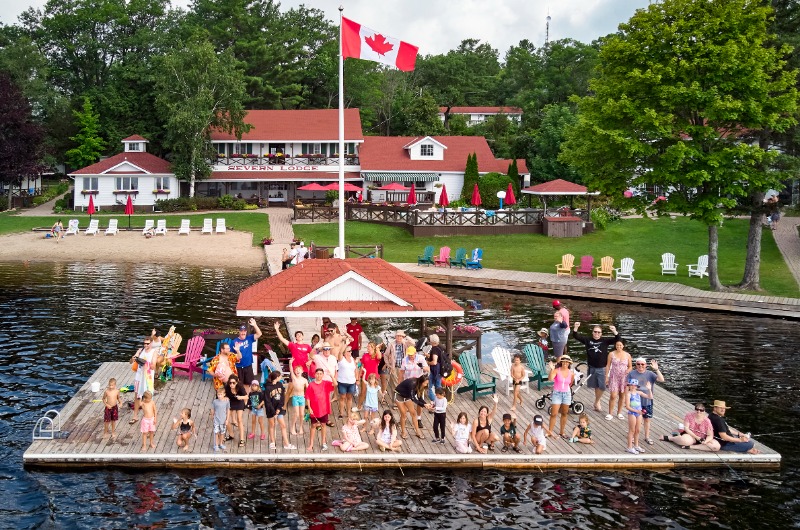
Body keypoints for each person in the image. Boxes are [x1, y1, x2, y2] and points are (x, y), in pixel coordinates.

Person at [572, 322, 620, 413]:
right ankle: (597, 403)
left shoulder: (604, 341)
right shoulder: (588, 340)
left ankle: (597, 401)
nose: (597, 334)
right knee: (596, 386)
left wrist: (614, 331)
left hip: (602, 367)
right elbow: (576, 336)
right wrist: (575, 327)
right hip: (591, 367)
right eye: (595, 332)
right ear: (592, 332)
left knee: (602, 387)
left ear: (601, 334)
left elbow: (618, 339)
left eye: (599, 332)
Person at [627, 357, 665, 445]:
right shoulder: (632, 373)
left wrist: (657, 370)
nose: (640, 366)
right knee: (636, 420)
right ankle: (633, 436)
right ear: (636, 365)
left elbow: (662, 380)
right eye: (638, 364)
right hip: (635, 401)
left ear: (645, 365)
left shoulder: (650, 374)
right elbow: (627, 386)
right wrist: (627, 399)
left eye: (642, 364)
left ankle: (647, 437)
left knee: (647, 419)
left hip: (647, 400)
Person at [394, 373, 433, 439]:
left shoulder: (420, 385)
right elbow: (413, 398)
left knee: (413, 413)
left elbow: (419, 397)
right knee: (403, 414)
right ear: (421, 382)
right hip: (399, 395)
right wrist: (423, 405)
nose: (426, 385)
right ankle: (403, 431)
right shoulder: (412, 384)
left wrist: (425, 404)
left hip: (407, 396)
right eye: (425, 383)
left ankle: (417, 431)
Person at [264, 370, 294, 449]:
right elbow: (267, 401)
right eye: (280, 376)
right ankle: (272, 442)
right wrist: (274, 412)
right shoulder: (267, 388)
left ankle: (286, 444)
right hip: (271, 410)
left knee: (283, 425)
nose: (281, 377)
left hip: (279, 408)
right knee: (272, 425)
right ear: (276, 377)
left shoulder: (280, 384)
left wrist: (279, 408)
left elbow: (282, 397)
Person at [306, 368, 334, 451]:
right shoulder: (311, 384)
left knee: (323, 425)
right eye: (317, 374)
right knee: (313, 426)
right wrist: (309, 407)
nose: (319, 375)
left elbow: (335, 384)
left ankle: (323, 442)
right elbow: (307, 397)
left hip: (324, 409)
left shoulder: (326, 383)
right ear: (315, 375)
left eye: (320, 374)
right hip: (314, 409)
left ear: (323, 375)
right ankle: (311, 444)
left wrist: (331, 375)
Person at [130, 336, 156, 425]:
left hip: (148, 378)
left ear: (151, 343)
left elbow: (153, 366)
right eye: (144, 343)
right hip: (139, 377)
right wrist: (133, 359)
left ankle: (151, 418)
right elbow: (130, 362)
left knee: (149, 398)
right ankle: (135, 416)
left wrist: (146, 363)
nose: (146, 345)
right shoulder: (140, 350)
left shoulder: (154, 352)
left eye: (147, 344)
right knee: (137, 397)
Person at [548, 355, 575, 438]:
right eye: (564, 361)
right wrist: (552, 369)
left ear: (569, 363)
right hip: (557, 393)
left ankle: (562, 432)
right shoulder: (556, 370)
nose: (565, 363)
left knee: (564, 413)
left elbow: (570, 384)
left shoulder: (571, 373)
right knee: (554, 413)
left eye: (567, 362)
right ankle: (550, 432)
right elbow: (550, 379)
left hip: (566, 394)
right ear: (561, 362)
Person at [605, 339, 632, 420]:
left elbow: (630, 366)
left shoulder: (627, 355)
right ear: (615, 346)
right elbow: (608, 366)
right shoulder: (611, 354)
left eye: (620, 345)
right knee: (613, 395)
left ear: (623, 346)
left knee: (622, 395)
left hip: (624, 378)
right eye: (617, 345)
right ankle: (610, 413)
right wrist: (606, 376)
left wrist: (628, 370)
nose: (619, 347)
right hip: (614, 377)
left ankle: (619, 412)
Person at [624, 378, 652, 454]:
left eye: (634, 385)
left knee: (638, 430)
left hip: (639, 413)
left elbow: (650, 397)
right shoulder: (628, 394)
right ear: (629, 385)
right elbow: (627, 406)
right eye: (631, 385)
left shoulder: (639, 393)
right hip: (632, 413)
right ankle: (629, 447)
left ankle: (636, 445)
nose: (633, 386)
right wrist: (637, 411)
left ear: (637, 386)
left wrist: (649, 389)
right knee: (632, 430)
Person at [232, 318, 262, 386]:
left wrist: (255, 325)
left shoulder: (249, 338)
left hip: (248, 365)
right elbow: (230, 355)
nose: (243, 332)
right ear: (239, 332)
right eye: (241, 331)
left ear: (246, 332)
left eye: (244, 331)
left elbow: (259, 334)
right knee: (239, 384)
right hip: (238, 367)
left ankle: (247, 396)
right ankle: (241, 396)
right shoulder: (234, 342)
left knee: (249, 384)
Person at [225, 375, 248, 448]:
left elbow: (246, 396)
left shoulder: (240, 387)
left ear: (237, 382)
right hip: (231, 401)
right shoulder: (227, 387)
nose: (231, 384)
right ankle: (231, 434)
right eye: (230, 383)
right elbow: (222, 394)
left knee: (239, 419)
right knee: (227, 420)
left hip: (239, 401)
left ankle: (242, 439)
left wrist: (240, 397)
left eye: (233, 383)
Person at [336, 346, 359, 419]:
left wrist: (357, 379)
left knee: (349, 397)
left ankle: (348, 412)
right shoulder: (341, 359)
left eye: (351, 351)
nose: (350, 352)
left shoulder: (352, 359)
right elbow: (340, 352)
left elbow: (356, 370)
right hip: (342, 381)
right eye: (349, 351)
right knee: (342, 397)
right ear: (345, 352)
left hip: (351, 381)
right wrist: (345, 344)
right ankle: (341, 413)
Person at [359, 342, 382, 408]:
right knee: (363, 392)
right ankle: (359, 406)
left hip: (374, 377)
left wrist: (377, 348)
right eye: (367, 346)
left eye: (369, 346)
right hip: (365, 376)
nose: (367, 348)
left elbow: (380, 357)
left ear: (373, 348)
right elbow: (362, 365)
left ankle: (371, 406)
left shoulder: (376, 356)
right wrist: (359, 376)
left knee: (373, 393)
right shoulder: (365, 355)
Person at [288, 365, 308, 436]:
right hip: (295, 397)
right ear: (294, 372)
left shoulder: (304, 380)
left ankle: (300, 427)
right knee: (296, 413)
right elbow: (291, 370)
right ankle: (292, 427)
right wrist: (290, 363)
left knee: (302, 414)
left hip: (302, 397)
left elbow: (308, 389)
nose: (298, 371)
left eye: (299, 369)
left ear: (302, 371)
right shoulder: (294, 379)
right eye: (296, 370)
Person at [210, 387, 230, 452]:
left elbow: (228, 410)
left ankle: (221, 443)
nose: (219, 396)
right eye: (218, 394)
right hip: (216, 420)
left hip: (223, 420)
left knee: (222, 433)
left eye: (221, 394)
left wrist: (227, 419)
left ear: (224, 394)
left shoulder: (226, 401)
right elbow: (213, 409)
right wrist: (212, 415)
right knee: (216, 432)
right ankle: (216, 445)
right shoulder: (215, 401)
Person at [426, 334, 443, 402]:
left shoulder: (434, 349)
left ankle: (435, 401)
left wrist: (427, 362)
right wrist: (427, 355)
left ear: (431, 341)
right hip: (440, 371)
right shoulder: (439, 348)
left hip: (435, 371)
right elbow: (435, 356)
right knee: (438, 386)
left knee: (430, 387)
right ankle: (440, 400)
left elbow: (434, 362)